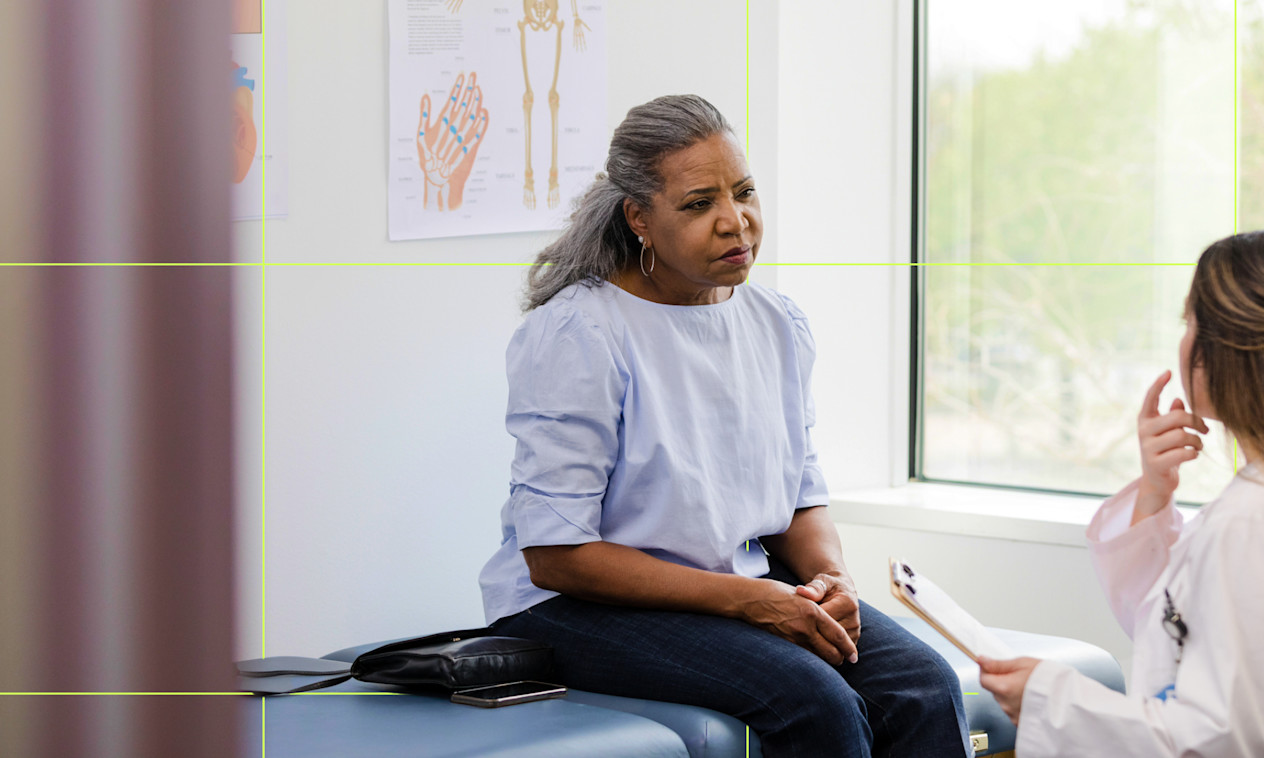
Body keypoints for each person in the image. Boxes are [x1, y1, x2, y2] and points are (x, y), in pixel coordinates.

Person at [478, 94, 971, 757]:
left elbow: (799, 493)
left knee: (923, 686)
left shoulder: (775, 322)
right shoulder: (581, 333)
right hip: (572, 608)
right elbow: (554, 554)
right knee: (814, 703)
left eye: (744, 193)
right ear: (639, 218)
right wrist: (747, 599)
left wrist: (832, 580)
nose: (734, 222)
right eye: (698, 204)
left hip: (736, 585)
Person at [979, 233, 1264, 756]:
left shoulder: (1244, 523)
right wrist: (1154, 491)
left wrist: (1051, 699)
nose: (1184, 341)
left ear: (1221, 349)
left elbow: (1215, 741)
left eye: (1189, 322)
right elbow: (1181, 634)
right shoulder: (1243, 511)